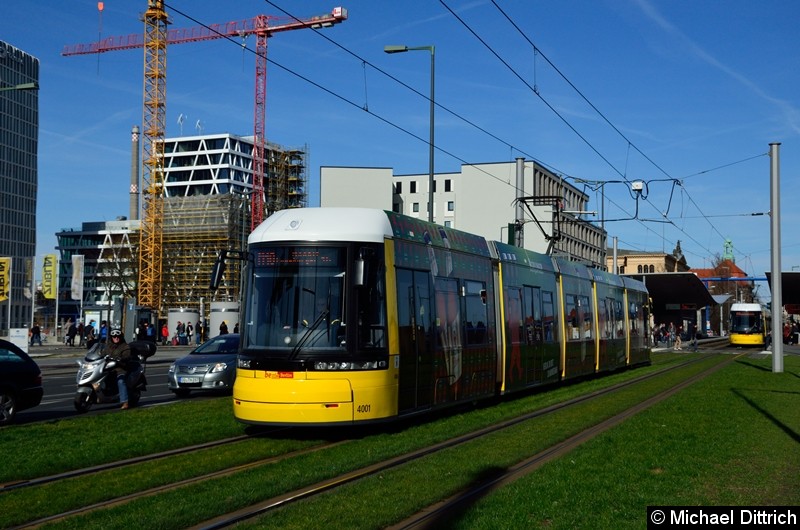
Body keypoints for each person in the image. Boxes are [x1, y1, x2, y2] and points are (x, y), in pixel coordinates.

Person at [105, 328, 133, 409]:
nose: (116, 338)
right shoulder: (108, 346)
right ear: (111, 338)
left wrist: (122, 358)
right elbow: (102, 353)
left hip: (120, 368)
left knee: (120, 381)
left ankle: (125, 402)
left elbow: (127, 355)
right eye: (114, 337)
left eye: (118, 336)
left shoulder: (124, 346)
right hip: (108, 368)